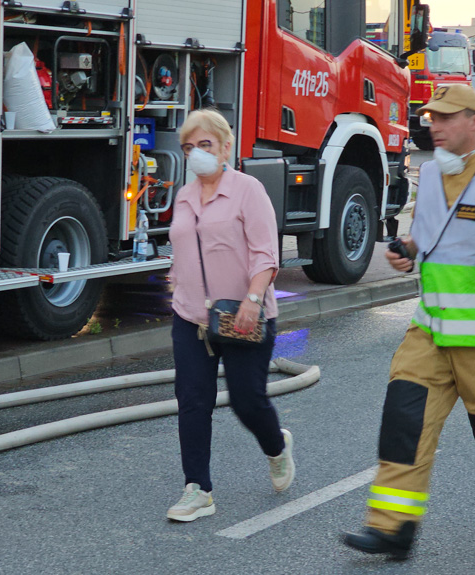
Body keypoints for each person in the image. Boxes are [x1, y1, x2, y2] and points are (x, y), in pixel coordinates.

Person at [343, 84, 475, 560]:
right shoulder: (433, 173)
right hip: (431, 331)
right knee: (403, 422)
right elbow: (427, 233)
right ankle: (393, 527)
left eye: (446, 117)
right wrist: (407, 252)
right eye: (431, 117)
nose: (433, 125)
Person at [165, 109, 294, 521]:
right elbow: (184, 248)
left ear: (225, 147)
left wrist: (252, 300)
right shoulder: (185, 196)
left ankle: (276, 447)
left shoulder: (248, 190)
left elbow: (265, 255)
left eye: (205, 145)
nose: (197, 153)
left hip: (244, 316)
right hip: (192, 318)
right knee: (192, 400)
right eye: (189, 147)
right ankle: (198, 489)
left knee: (247, 400)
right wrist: (179, 286)